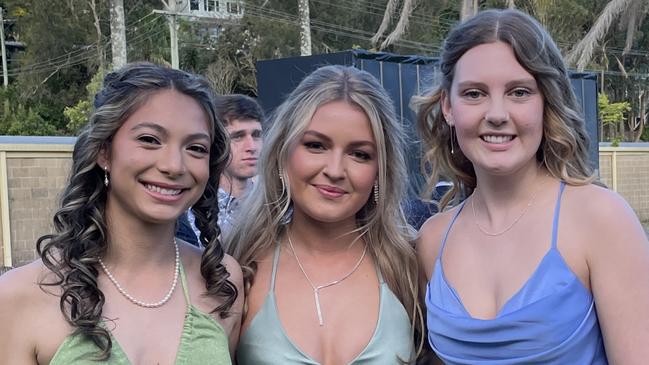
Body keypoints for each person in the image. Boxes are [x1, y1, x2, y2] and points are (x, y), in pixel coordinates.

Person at [415, 9, 649, 364]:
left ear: (546, 103)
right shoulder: (431, 241)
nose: (496, 113)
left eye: (519, 92)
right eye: (475, 93)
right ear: (448, 106)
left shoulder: (600, 219)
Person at [0, 63, 244, 364]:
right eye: (149, 140)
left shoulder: (221, 280)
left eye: (195, 148)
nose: (174, 166)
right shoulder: (20, 295)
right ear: (104, 151)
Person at [226, 65, 423, 364]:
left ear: (381, 169)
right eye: (315, 145)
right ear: (283, 151)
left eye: (360, 154)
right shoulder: (240, 264)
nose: (334, 171)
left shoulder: (411, 266)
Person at [178, 94, 264, 244]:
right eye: (238, 136)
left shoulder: (276, 205)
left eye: (256, 135)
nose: (252, 147)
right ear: (215, 142)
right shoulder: (188, 208)